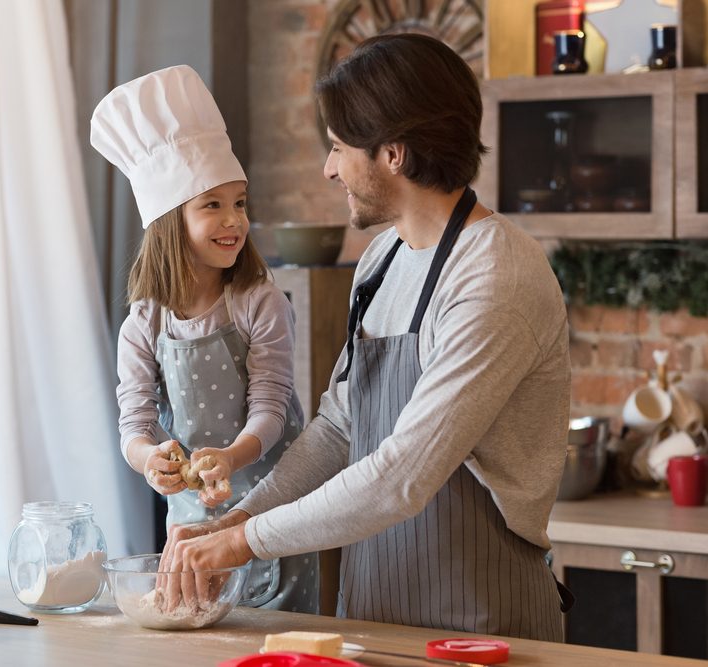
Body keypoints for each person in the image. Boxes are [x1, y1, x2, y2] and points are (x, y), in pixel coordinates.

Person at [158, 35, 572, 641]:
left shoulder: (495, 277)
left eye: (337, 148)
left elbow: (403, 475)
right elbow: (338, 427)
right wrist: (241, 517)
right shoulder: (381, 260)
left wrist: (242, 544)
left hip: (484, 624)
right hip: (373, 612)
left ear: (394, 155)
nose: (328, 169)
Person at [90, 64, 319, 613]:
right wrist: (150, 461)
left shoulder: (260, 301)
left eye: (239, 202)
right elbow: (134, 423)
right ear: (170, 221)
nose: (233, 220)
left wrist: (231, 457)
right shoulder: (145, 321)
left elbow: (271, 408)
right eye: (211, 204)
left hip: (271, 509)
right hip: (191, 519)